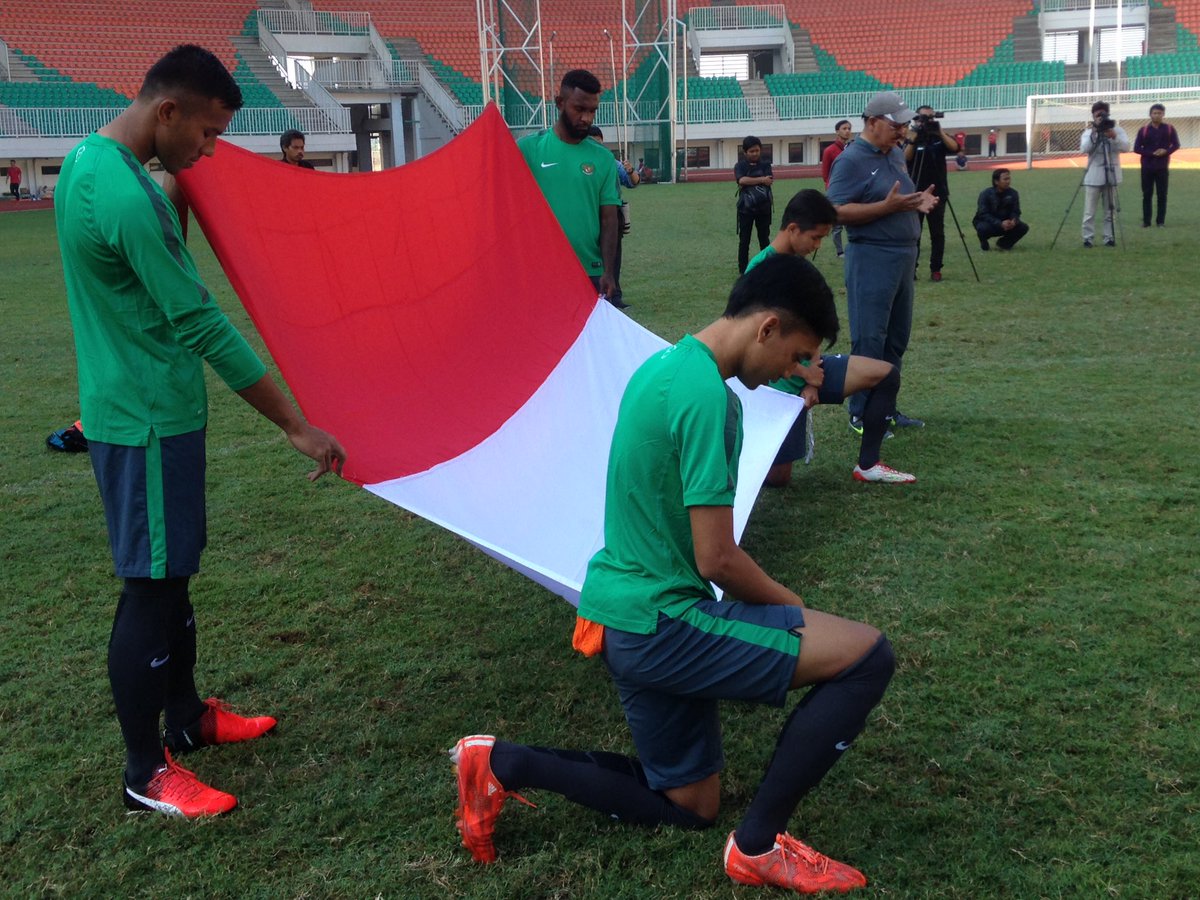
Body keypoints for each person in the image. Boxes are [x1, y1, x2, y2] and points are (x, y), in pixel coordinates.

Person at [449, 254, 895, 895]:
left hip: (618, 614)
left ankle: (502, 763)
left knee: (691, 805)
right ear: (766, 328)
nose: (798, 375)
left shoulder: (662, 366)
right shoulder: (707, 398)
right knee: (866, 656)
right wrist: (792, 605)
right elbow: (718, 558)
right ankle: (759, 846)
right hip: (662, 624)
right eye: (798, 356)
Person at [54, 45, 346, 819]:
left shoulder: (90, 163)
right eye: (208, 135)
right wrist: (295, 425)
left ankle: (184, 715)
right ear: (168, 112)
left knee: (173, 574)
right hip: (145, 421)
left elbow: (154, 278)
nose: (209, 151)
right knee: (150, 589)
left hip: (151, 411)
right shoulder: (122, 196)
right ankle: (144, 770)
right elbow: (202, 322)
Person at [746, 190, 915, 486]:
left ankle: (867, 465)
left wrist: (813, 375)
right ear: (793, 229)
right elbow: (758, 342)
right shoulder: (761, 270)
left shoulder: (801, 268)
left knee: (886, 374)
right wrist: (803, 375)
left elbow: (813, 329)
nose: (818, 245)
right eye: (815, 238)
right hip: (778, 383)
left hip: (813, 370)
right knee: (777, 479)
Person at [827, 91, 937, 433]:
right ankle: (861, 413)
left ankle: (885, 408)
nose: (902, 131)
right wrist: (887, 209)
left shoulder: (893, 154)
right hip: (871, 256)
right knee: (870, 337)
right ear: (873, 123)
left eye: (904, 125)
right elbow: (835, 212)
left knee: (896, 337)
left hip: (903, 256)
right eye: (896, 125)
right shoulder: (851, 160)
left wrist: (916, 201)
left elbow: (895, 196)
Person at [519, 69, 622, 305]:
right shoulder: (527, 150)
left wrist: (609, 271)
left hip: (590, 272)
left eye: (592, 111)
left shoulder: (603, 159)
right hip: (540, 273)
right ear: (560, 103)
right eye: (579, 109)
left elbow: (609, 220)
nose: (586, 118)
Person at [904, 106, 958, 282]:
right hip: (916, 193)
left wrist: (939, 131)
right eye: (922, 118)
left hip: (938, 193)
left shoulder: (938, 137)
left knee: (937, 233)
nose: (926, 121)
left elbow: (955, 147)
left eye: (929, 118)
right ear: (916, 119)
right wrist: (914, 139)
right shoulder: (912, 136)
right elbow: (906, 158)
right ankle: (912, 269)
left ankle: (936, 269)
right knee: (914, 233)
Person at [589, 125, 639, 309]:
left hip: (612, 215)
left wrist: (631, 170)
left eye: (599, 143)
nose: (597, 147)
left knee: (613, 255)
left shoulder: (610, 161)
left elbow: (634, 182)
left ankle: (614, 295)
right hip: (591, 214)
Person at [1080, 101, 1131, 248]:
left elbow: (1126, 147)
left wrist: (1114, 136)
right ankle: (1087, 238)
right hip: (1093, 176)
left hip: (1111, 174)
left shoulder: (1117, 130)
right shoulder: (1088, 132)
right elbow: (1084, 149)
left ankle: (1109, 237)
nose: (1101, 118)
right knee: (1089, 211)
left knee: (1110, 210)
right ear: (1093, 116)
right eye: (1098, 115)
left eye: (1103, 114)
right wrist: (1095, 133)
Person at [1133, 103, 1180, 228]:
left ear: (1163, 114)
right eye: (1154, 113)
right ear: (1150, 115)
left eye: (1159, 113)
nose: (1157, 115)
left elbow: (1176, 144)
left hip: (1162, 167)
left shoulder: (1169, 129)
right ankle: (1147, 222)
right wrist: (1151, 153)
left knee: (1162, 195)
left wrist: (1166, 151)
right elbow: (1137, 148)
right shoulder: (1143, 130)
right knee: (1147, 195)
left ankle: (1160, 222)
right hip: (1147, 167)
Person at [734, 135, 774, 273]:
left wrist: (753, 180)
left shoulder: (766, 164)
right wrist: (761, 179)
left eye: (757, 150)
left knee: (764, 239)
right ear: (745, 152)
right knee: (744, 241)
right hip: (746, 208)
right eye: (751, 151)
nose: (755, 153)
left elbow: (769, 180)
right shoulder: (740, 165)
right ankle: (743, 270)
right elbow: (741, 181)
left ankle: (767, 268)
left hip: (764, 208)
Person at [973, 168, 1029, 251]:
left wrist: (1013, 220)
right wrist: (1000, 223)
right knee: (982, 228)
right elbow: (983, 214)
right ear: (996, 181)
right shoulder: (985, 194)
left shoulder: (1013, 193)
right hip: (990, 223)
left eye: (1009, 178)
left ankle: (1003, 244)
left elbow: (1016, 211)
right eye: (1005, 179)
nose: (1008, 181)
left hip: (1006, 223)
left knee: (1023, 227)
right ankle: (984, 243)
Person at [820, 120, 853, 257]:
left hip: (852, 190)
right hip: (836, 192)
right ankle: (840, 251)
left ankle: (853, 248)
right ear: (837, 131)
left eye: (849, 128)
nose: (847, 131)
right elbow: (825, 173)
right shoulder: (829, 151)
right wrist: (832, 190)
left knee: (852, 220)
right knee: (837, 224)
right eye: (844, 128)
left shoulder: (852, 148)